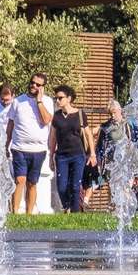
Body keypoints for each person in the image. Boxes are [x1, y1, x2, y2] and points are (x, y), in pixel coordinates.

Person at [1, 73, 53, 216]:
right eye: (32, 82)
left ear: (43, 87)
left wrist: (39, 101)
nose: (33, 85)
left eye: (38, 84)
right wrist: (6, 144)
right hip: (19, 148)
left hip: (39, 149)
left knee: (32, 182)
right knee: (20, 180)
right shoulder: (18, 101)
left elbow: (46, 120)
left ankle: (29, 215)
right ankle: (15, 213)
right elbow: (10, 124)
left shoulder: (47, 101)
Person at [48, 84, 90, 213]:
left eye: (60, 98)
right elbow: (53, 137)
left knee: (75, 186)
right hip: (62, 156)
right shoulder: (56, 116)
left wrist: (93, 154)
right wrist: (50, 156)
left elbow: (88, 134)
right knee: (61, 187)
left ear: (69, 98)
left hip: (78, 155)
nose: (57, 100)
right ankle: (67, 206)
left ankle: (75, 213)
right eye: (56, 98)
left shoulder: (80, 114)